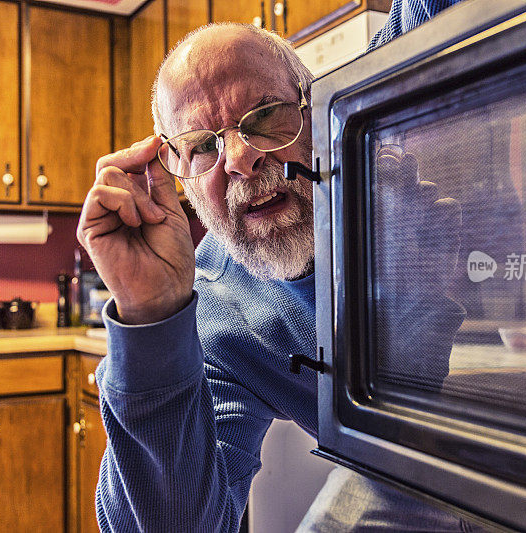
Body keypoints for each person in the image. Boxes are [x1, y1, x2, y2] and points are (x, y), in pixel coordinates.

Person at [77, 9, 474, 533]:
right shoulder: (216, 311)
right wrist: (152, 317)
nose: (240, 159)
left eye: (266, 117)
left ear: (320, 113)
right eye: (202, 146)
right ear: (181, 182)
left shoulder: (375, 120)